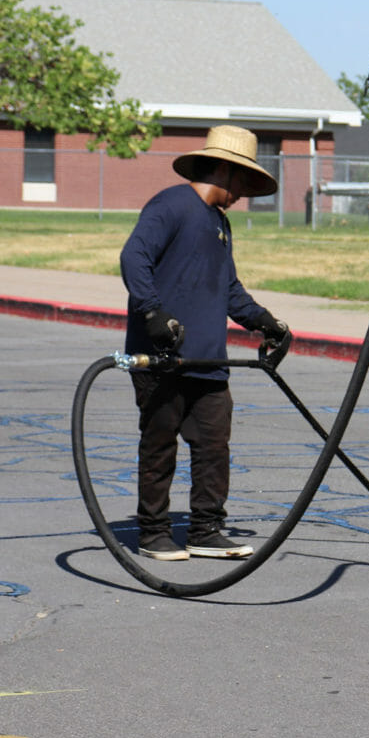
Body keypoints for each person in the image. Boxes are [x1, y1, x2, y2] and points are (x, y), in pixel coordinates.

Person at [119, 125, 289, 561]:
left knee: (214, 446)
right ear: (225, 170)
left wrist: (265, 322)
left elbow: (228, 288)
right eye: (244, 183)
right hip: (162, 358)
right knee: (159, 445)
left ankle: (205, 529)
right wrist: (153, 312)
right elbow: (134, 256)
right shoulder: (171, 205)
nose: (244, 194)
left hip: (208, 360)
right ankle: (154, 531)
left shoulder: (219, 223)